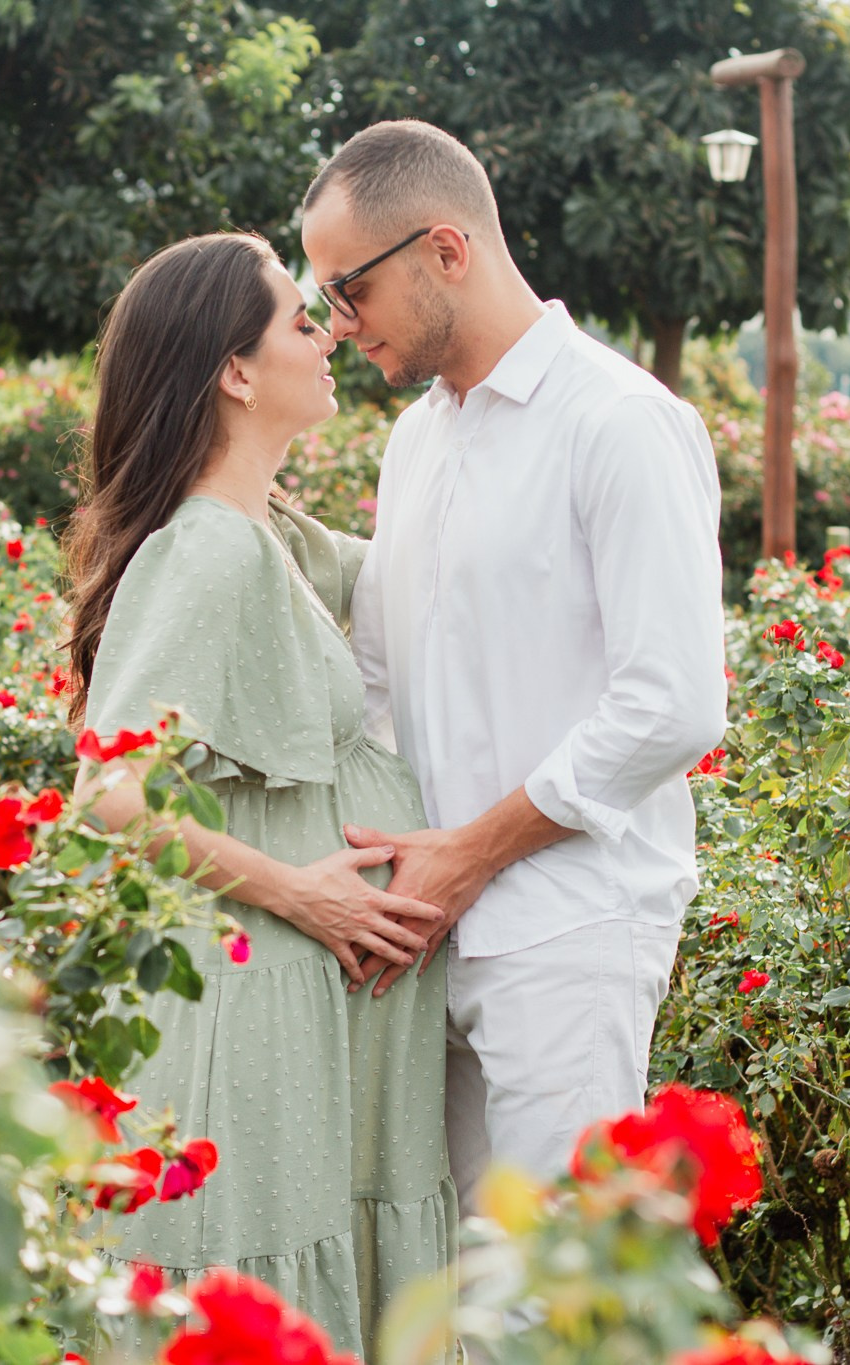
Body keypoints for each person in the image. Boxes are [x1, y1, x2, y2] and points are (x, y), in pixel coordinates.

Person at [299, 121, 728, 1207]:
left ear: (446, 252)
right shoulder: (415, 441)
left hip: (568, 927)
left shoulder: (619, 422)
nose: (338, 327)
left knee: (551, 1293)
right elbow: (386, 685)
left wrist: (471, 855)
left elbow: (672, 702)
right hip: (426, 929)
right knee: (446, 1288)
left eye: (348, 292)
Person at [61, 232, 455, 1360]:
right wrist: (305, 895)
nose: (327, 329)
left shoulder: (267, 533)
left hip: (300, 1001)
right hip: (253, 996)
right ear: (233, 371)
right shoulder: (206, 552)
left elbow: (433, 565)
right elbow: (109, 800)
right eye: (297, 317)